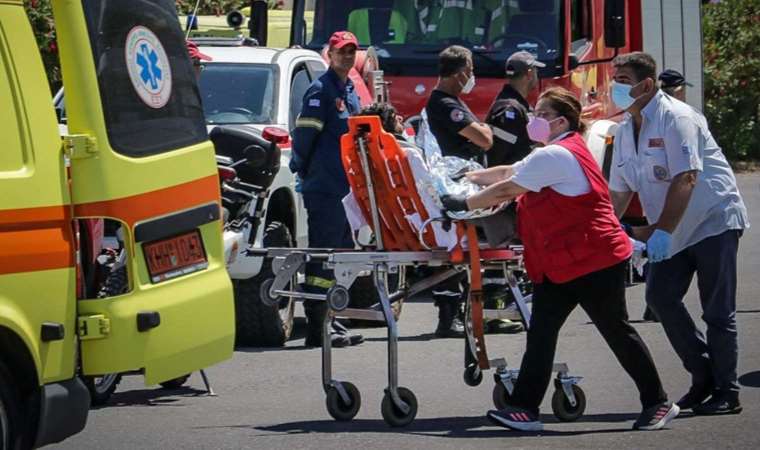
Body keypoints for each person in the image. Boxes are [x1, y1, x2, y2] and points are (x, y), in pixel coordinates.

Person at [442, 87, 679, 432]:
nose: (533, 120)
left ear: (560, 121)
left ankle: (658, 403)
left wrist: (464, 204)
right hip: (566, 261)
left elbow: (509, 188)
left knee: (615, 330)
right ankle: (523, 408)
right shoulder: (556, 152)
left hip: (593, 260)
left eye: (540, 114)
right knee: (542, 333)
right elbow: (509, 171)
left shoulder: (554, 156)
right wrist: (468, 177)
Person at [608, 52, 749, 415]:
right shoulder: (625, 130)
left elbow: (686, 176)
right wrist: (606, 231)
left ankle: (727, 391)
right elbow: (619, 193)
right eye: (615, 78)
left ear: (647, 84)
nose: (615, 86)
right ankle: (703, 377)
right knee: (660, 298)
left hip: (711, 221)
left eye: (623, 79)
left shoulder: (677, 118)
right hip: (669, 228)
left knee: (717, 311)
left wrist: (661, 233)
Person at [289, 31, 365, 348]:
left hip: (345, 190)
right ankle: (317, 327)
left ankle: (332, 321)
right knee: (322, 258)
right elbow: (304, 137)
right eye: (341, 51)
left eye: (351, 51)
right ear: (329, 54)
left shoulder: (349, 90)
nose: (346, 56)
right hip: (325, 188)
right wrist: (302, 169)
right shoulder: (320, 91)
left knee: (340, 256)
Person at [424, 45, 494, 338]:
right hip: (455, 184)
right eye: (471, 71)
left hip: (456, 183)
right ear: (461, 71)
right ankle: (450, 316)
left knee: (456, 250)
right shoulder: (446, 104)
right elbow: (484, 138)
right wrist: (483, 128)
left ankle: (456, 314)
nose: (473, 77)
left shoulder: (447, 101)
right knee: (454, 250)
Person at [485, 50, 543, 166]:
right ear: (529, 74)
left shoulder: (517, 105)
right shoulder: (509, 109)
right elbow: (499, 154)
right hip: (508, 178)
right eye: (536, 71)